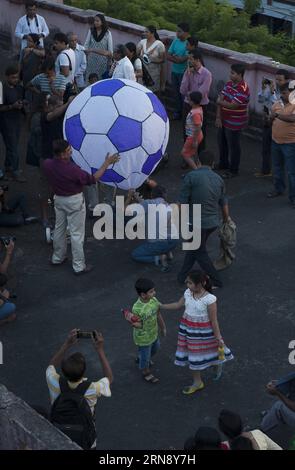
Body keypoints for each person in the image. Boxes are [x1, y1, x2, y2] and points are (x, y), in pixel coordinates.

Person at [42, 139, 120, 275]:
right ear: (62, 154)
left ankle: (57, 257)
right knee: (77, 234)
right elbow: (93, 179)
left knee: (59, 228)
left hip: (59, 200)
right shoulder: (73, 170)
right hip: (74, 202)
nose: (71, 151)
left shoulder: (47, 164)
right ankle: (78, 266)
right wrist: (107, 163)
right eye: (68, 151)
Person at [160, 270, 233, 394]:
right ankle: (197, 382)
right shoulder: (188, 293)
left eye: (190, 283)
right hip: (189, 331)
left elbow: (214, 321)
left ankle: (216, 364)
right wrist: (161, 306)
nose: (187, 284)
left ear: (200, 284)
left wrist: (218, 338)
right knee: (193, 357)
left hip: (205, 332)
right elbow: (178, 304)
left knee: (211, 351)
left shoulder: (210, 299)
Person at [46, 329, 113, 449]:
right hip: (85, 440)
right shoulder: (92, 388)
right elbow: (109, 378)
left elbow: (50, 366)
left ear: (63, 372)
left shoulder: (55, 382)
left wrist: (67, 344)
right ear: (83, 372)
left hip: (60, 434)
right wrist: (100, 350)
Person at [177, 150, 229, 287]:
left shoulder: (191, 177)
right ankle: (181, 276)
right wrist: (226, 220)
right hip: (212, 223)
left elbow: (182, 202)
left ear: (198, 162)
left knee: (199, 251)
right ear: (212, 164)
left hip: (196, 222)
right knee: (193, 247)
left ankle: (216, 280)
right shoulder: (219, 179)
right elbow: (223, 203)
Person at [125, 185, 179, 271]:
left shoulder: (147, 203)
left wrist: (129, 197)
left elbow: (126, 211)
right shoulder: (168, 206)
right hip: (174, 241)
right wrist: (138, 199)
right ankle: (167, 252)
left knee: (136, 255)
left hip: (160, 243)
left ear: (151, 195)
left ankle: (160, 257)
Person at [216, 63, 250, 178]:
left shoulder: (243, 88)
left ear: (239, 75)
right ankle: (223, 163)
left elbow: (233, 105)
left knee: (233, 146)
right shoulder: (229, 84)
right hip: (224, 119)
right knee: (222, 143)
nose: (230, 75)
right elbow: (222, 99)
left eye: (232, 73)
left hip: (235, 122)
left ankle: (233, 170)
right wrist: (218, 117)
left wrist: (220, 102)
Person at [131, 278, 166, 384]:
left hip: (153, 333)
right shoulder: (136, 309)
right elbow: (137, 324)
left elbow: (158, 314)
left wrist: (163, 327)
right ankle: (145, 372)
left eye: (154, 290)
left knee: (156, 348)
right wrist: (134, 323)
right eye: (151, 291)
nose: (154, 293)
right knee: (146, 358)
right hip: (143, 338)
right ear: (143, 295)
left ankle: (141, 358)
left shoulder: (154, 301)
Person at [256, 69, 290, 178]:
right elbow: (261, 100)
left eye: (280, 80)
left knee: (280, 152)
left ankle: (278, 176)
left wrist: (272, 93)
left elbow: (280, 106)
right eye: (276, 79)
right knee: (265, 147)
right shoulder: (272, 89)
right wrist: (263, 88)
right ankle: (265, 170)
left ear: (287, 80)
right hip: (268, 121)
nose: (277, 82)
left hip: (280, 124)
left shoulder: (289, 93)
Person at [267, 83, 295, 208]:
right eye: (281, 93)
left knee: (291, 172)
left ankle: (293, 197)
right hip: (275, 141)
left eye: (285, 93)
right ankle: (279, 189)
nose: (282, 95)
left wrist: (277, 115)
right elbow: (270, 121)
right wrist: (269, 118)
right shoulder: (276, 104)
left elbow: (292, 118)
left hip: (290, 143)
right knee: (277, 167)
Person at [180, 49, 212, 150]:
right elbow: (182, 90)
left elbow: (200, 94)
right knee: (187, 129)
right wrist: (187, 75)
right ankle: (187, 153)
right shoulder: (188, 72)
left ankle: (200, 155)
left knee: (201, 131)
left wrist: (189, 95)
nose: (188, 61)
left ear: (197, 60)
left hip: (200, 106)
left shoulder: (207, 74)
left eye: (190, 59)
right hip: (188, 105)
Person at [0, 65, 26, 182]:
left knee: (12, 146)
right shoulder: (2, 89)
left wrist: (22, 104)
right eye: (12, 78)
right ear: (6, 77)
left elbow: (22, 99)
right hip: (6, 122)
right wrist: (12, 106)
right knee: (13, 147)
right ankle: (15, 171)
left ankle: (8, 167)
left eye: (16, 77)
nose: (15, 80)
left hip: (17, 121)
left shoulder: (19, 88)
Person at [167, 23, 190, 120]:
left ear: (186, 33)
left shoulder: (188, 44)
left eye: (179, 31)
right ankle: (177, 112)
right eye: (177, 31)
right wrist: (177, 58)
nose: (177, 33)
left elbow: (183, 59)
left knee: (183, 94)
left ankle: (185, 114)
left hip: (184, 74)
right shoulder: (175, 41)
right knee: (175, 93)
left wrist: (176, 58)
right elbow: (168, 55)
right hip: (174, 72)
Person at [84, 14, 113, 81]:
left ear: (102, 22)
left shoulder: (107, 33)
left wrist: (109, 62)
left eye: (97, 21)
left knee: (100, 81)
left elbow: (110, 51)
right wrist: (86, 52)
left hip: (103, 63)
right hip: (91, 61)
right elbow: (86, 45)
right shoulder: (91, 31)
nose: (95, 22)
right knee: (90, 80)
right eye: (94, 21)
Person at [137, 26, 165, 95]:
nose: (144, 33)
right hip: (142, 72)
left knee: (152, 92)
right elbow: (137, 55)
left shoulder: (159, 45)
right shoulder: (142, 42)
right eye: (144, 32)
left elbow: (162, 60)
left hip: (154, 73)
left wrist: (152, 60)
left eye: (147, 32)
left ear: (152, 33)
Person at [181, 91, 203, 170]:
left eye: (189, 100)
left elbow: (198, 127)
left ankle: (196, 171)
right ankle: (199, 168)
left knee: (185, 153)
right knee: (194, 153)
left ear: (193, 102)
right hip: (196, 135)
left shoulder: (195, 113)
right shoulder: (198, 109)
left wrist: (194, 141)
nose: (188, 101)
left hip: (193, 137)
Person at [53, 33, 76, 101]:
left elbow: (66, 73)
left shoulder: (63, 55)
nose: (55, 45)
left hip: (63, 87)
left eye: (56, 43)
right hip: (70, 84)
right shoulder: (71, 51)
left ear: (63, 43)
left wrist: (54, 75)